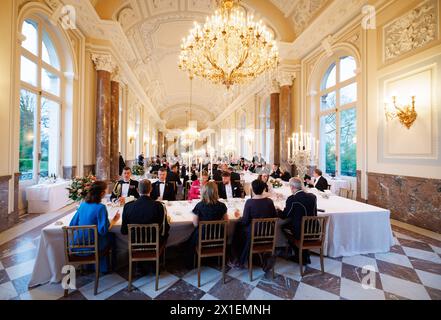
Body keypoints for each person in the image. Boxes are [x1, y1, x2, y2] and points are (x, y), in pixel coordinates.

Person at [69, 181, 120, 273]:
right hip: (93, 247)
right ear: (102, 193)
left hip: (76, 244)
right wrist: (113, 221)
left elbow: (72, 224)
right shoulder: (100, 207)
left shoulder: (83, 205)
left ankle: (89, 267)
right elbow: (103, 230)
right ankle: (106, 268)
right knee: (111, 236)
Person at [229, 180, 278, 270]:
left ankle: (238, 259)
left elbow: (245, 222)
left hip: (254, 234)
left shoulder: (250, 202)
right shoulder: (269, 202)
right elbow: (274, 216)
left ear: (252, 190)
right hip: (268, 233)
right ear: (263, 189)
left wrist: (239, 217)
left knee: (237, 230)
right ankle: (248, 258)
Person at [277, 177, 318, 264]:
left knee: (283, 227)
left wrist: (277, 210)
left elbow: (285, 215)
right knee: (294, 226)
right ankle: (305, 253)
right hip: (315, 229)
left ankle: (299, 255)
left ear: (292, 187)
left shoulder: (292, 199)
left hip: (301, 231)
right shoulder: (312, 197)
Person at [121, 179, 170, 245]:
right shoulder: (159, 206)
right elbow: (165, 229)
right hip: (155, 243)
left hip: (135, 243)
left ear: (137, 190)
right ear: (151, 189)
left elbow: (124, 231)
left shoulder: (127, 206)